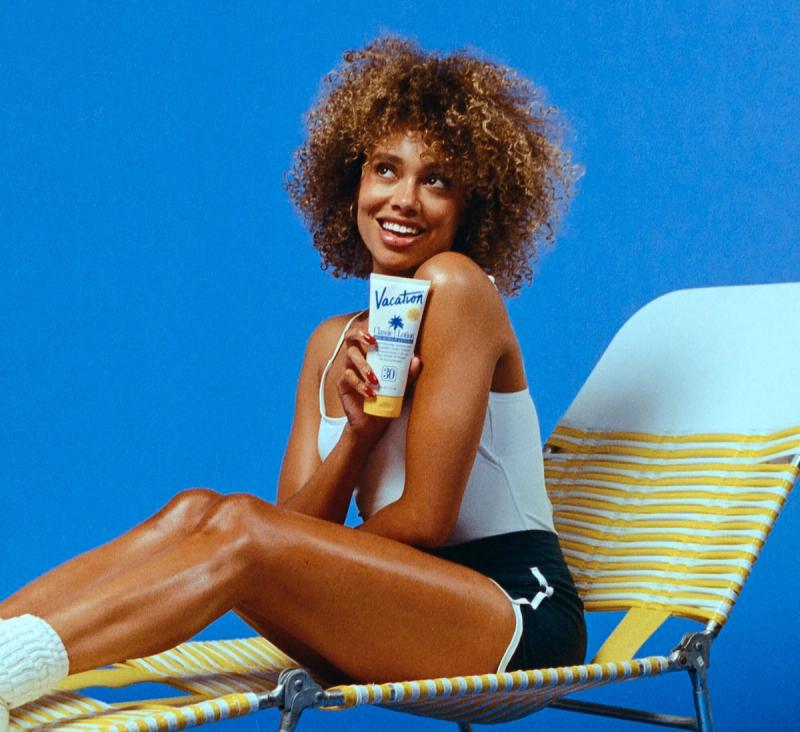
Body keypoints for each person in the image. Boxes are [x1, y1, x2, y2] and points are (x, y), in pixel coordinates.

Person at [0, 35, 586, 728]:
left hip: (513, 615)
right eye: (384, 170)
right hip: (400, 614)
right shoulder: (331, 343)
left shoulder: (455, 287)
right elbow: (294, 537)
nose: (403, 199)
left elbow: (422, 522)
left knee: (238, 525)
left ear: (471, 206)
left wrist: (277, 547)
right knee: (197, 511)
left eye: (437, 180)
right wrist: (358, 438)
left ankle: (10, 672)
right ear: (351, 183)